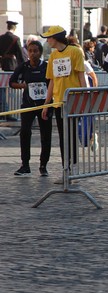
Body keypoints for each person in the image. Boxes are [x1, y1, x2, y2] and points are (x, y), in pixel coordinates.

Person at [40, 26, 85, 179]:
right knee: (62, 136)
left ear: (57, 38)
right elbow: (52, 81)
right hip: (58, 102)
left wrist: (84, 98)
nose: (47, 41)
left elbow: (81, 77)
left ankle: (73, 167)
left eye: (49, 37)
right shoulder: (52, 56)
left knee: (71, 135)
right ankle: (66, 169)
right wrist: (47, 104)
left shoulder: (75, 52)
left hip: (73, 101)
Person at [9, 40, 52, 177]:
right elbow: (12, 82)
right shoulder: (23, 66)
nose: (33, 54)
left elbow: (53, 83)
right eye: (30, 51)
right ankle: (25, 165)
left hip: (44, 105)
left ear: (40, 52)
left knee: (46, 135)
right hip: (28, 105)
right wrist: (23, 86)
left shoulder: (46, 66)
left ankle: (43, 165)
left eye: (35, 51)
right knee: (25, 133)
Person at [0, 21, 24, 121]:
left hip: (2, 64)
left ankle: (4, 111)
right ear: (14, 28)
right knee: (9, 90)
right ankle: (8, 112)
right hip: (11, 66)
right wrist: (22, 68)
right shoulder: (15, 38)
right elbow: (20, 55)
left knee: (2, 89)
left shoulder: (1, 38)